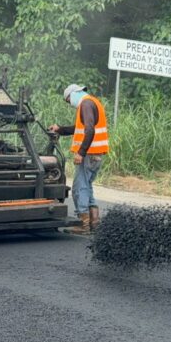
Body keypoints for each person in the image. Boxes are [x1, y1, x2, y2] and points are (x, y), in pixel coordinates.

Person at [48, 84, 109, 235]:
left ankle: (83, 224)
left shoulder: (85, 104)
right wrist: (60, 129)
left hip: (88, 155)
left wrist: (81, 152)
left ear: (74, 94)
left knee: (79, 188)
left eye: (68, 100)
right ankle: (94, 222)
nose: (70, 104)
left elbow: (89, 130)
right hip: (95, 154)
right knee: (86, 186)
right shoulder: (93, 102)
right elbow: (79, 128)